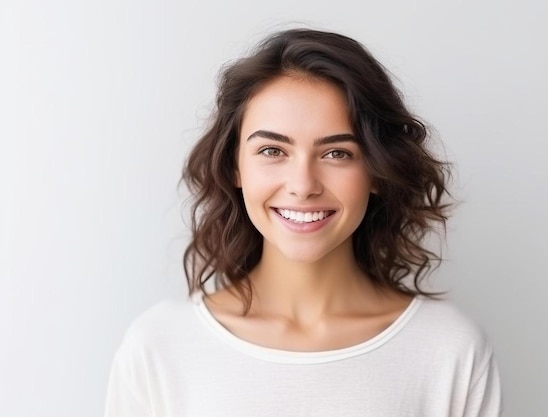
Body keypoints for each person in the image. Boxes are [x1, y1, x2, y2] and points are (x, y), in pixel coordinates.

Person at [104, 28, 502, 416]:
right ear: (234, 167)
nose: (303, 185)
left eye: (337, 154)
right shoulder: (160, 346)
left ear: (378, 172)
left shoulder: (449, 350)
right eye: (273, 150)